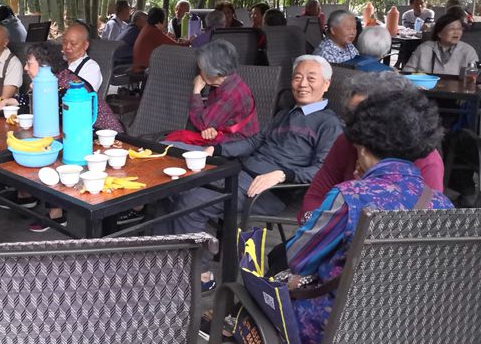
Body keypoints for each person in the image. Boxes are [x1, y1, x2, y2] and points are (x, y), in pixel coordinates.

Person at [285, 90, 453, 344]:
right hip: (408, 329)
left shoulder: (350, 196)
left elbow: (298, 257)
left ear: (362, 147)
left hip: (336, 326)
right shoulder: (441, 204)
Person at [163, 55, 342, 288]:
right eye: (297, 77)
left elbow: (323, 170)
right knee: (174, 186)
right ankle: (171, 259)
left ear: (326, 84)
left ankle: (202, 275)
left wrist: (283, 175)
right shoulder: (287, 113)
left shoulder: (329, 124)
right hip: (241, 172)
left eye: (311, 78)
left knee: (191, 201)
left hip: (270, 190)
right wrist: (216, 149)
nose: (302, 84)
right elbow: (255, 141)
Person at [0, 42, 123, 231]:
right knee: (41, 143)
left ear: (45, 65)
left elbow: (56, 119)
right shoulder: (51, 80)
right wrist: (7, 102)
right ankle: (26, 195)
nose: (26, 68)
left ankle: (56, 214)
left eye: (29, 63)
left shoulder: (64, 85)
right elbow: (30, 102)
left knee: (48, 147)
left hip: (102, 138)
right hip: (79, 134)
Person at [299, 71, 444, 223]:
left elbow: (424, 223)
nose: (356, 124)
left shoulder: (425, 158)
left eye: (367, 116)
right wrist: (313, 222)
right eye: (351, 114)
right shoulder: (346, 141)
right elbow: (316, 195)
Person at [164, 40, 259, 146]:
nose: (200, 72)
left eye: (202, 69)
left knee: (172, 145)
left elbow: (201, 123)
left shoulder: (230, 95)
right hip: (223, 134)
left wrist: (196, 91)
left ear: (215, 73)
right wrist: (210, 127)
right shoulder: (231, 80)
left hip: (235, 144)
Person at [403, 13, 478, 75]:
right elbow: (407, 72)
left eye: (459, 28)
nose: (457, 32)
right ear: (439, 33)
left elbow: (475, 76)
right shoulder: (424, 48)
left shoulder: (468, 51)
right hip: (424, 87)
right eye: (452, 29)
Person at [133, 7, 183, 71]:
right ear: (161, 20)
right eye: (165, 19)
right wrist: (190, 41)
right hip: (144, 70)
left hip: (139, 67)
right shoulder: (154, 31)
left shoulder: (147, 28)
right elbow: (177, 47)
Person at [62, 23, 103, 91]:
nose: (67, 47)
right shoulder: (58, 62)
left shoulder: (91, 68)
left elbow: (80, 94)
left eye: (73, 43)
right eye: (65, 42)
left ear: (85, 45)